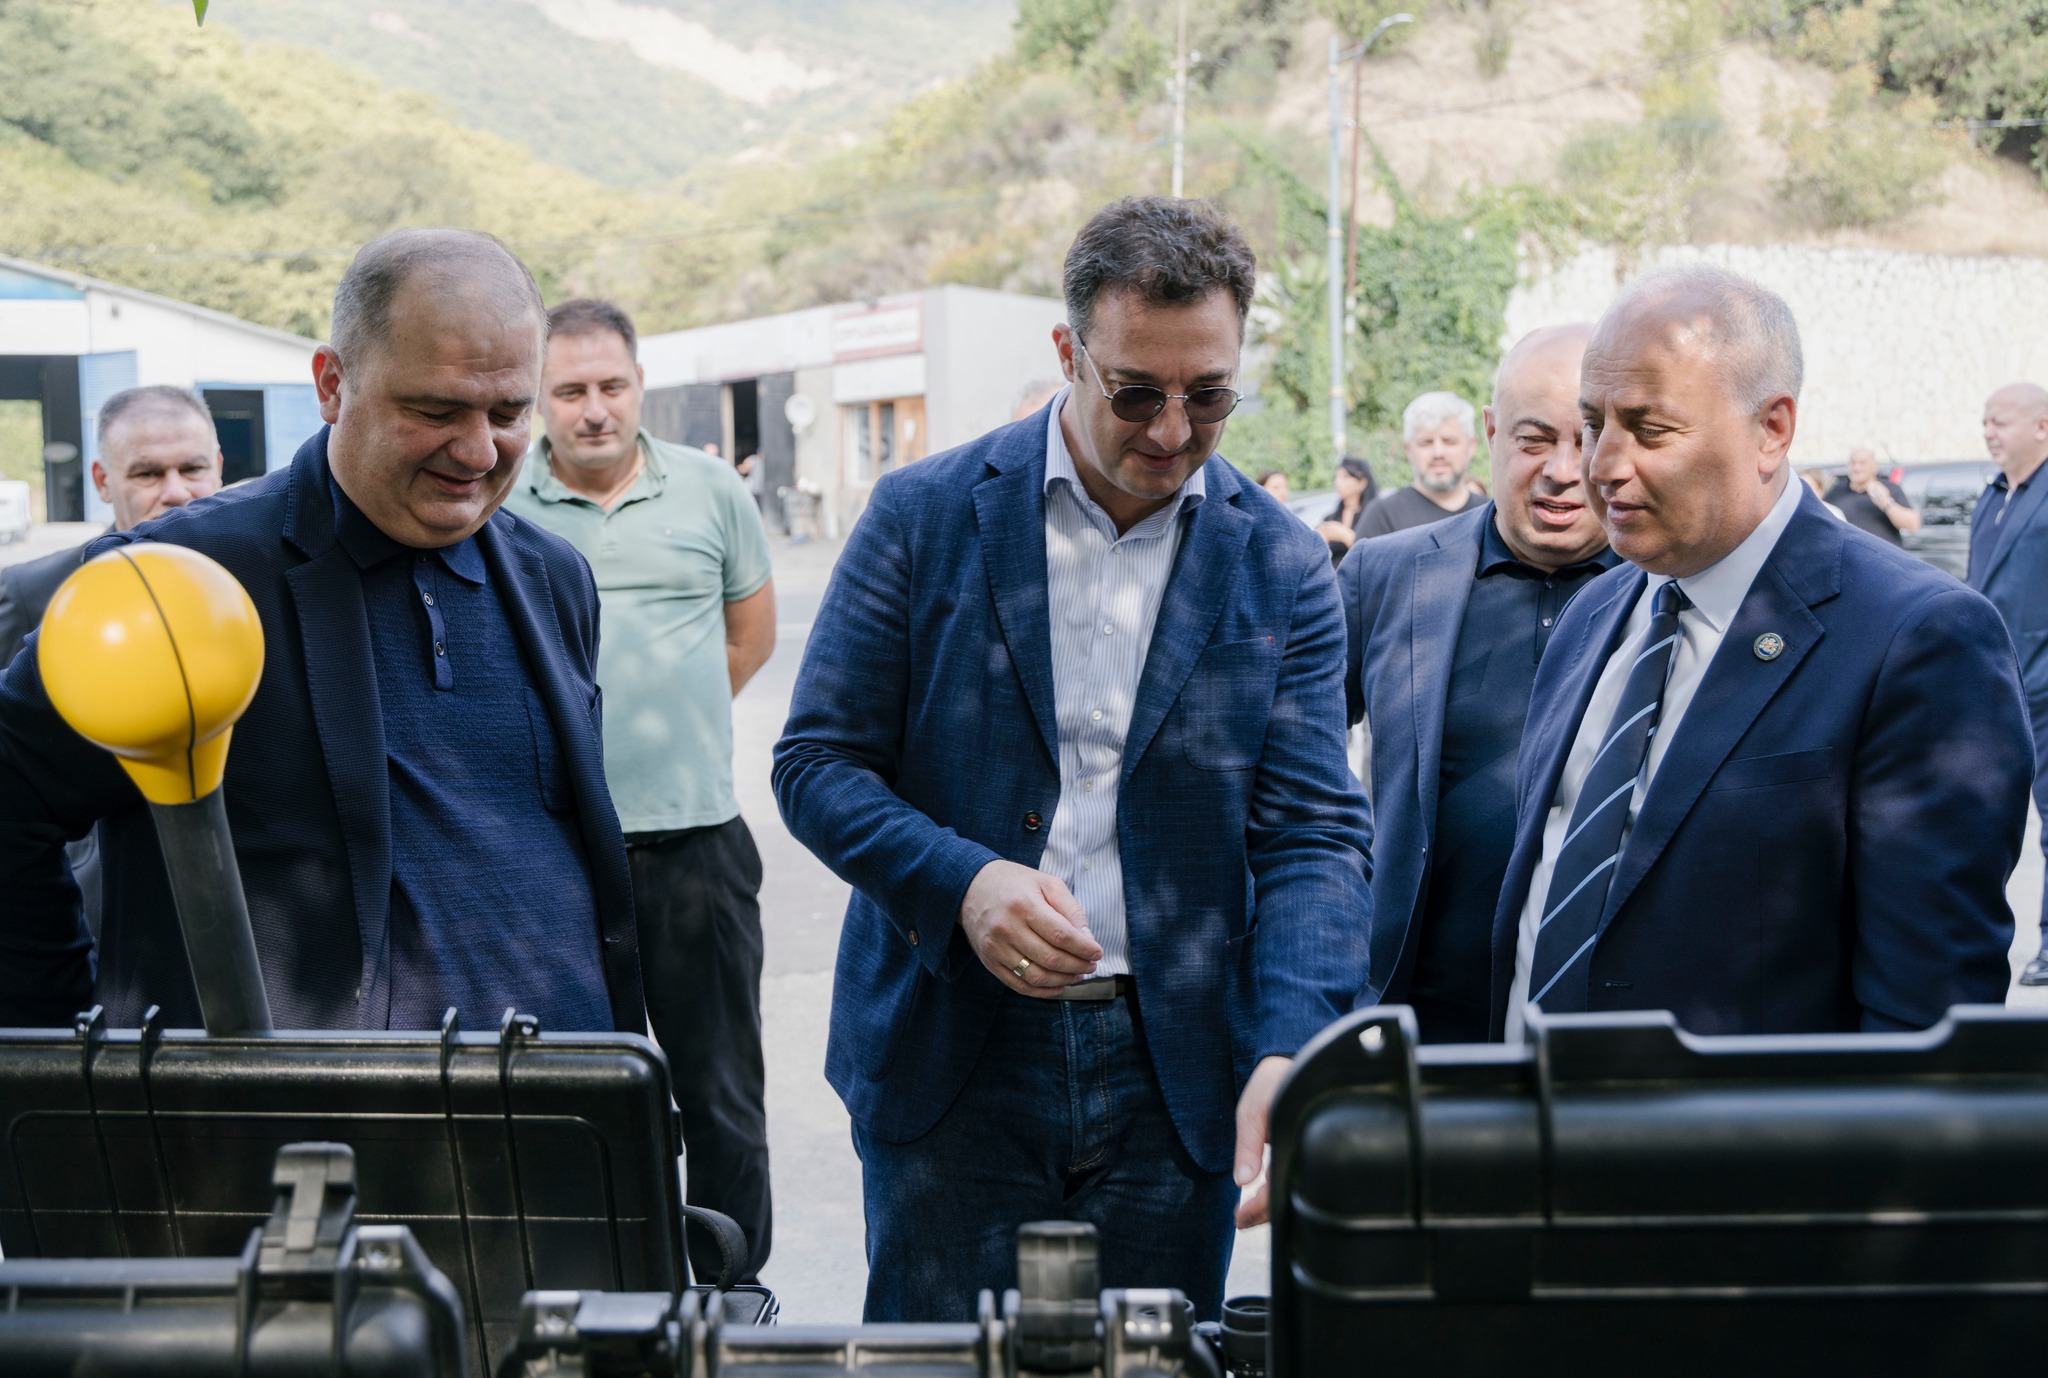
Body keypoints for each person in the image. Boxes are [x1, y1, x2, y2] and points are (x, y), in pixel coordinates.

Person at [774, 196, 1370, 1323]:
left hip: (1176, 1068)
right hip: (955, 1050)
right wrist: (964, 882)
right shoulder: (922, 514)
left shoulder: (1283, 562)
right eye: (1135, 393)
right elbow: (817, 763)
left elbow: (1311, 833)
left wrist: (1289, 1045)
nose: (1171, 431)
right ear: (1067, 353)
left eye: (1209, 396)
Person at [0, 228, 645, 1037]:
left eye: (510, 412)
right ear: (332, 384)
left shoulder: (555, 576)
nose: (479, 450)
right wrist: (62, 1045)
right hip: (301, 1111)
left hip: (565, 1095)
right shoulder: (170, 579)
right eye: (436, 410)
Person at [1488, 266, 2028, 1042]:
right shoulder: (1594, 614)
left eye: (1650, 429)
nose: (1600, 465)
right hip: (1527, 1108)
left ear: (1772, 429)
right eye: (1595, 422)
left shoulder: (1919, 638)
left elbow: (1925, 1027)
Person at [503, 297, 778, 1284]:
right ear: (540, 397)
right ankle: (609, 1294)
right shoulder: (502, 499)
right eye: (569, 390)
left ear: (640, 385)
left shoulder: (711, 490)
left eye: (610, 386)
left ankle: (732, 1294)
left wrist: (665, 731)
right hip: (554, 855)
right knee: (576, 1095)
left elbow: (749, 637)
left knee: (722, 1095)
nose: (593, 409)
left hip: (697, 844)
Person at [1339, 324, 1616, 1043]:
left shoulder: (1669, 593)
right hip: (1419, 1023)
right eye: (1533, 441)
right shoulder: (1384, 576)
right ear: (1491, 433)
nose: (1562, 470)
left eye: (1586, 439)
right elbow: (1286, 772)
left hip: (1613, 1028)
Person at [0, 386, 225, 659]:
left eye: (193, 469)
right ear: (103, 482)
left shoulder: (260, 570)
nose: (176, 493)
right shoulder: (31, 595)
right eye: (147, 473)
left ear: (218, 467)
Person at [1966, 382, 2048, 985]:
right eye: (1985, 421)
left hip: (2044, 690)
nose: (1988, 431)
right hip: (1993, 691)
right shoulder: (1992, 496)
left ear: (2042, 427)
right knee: (1977, 823)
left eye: (2000, 421)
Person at [1357, 392, 1488, 537]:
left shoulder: (1493, 517)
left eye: (1449, 441)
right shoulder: (1382, 517)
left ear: (1471, 445)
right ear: (1408, 449)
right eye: (1426, 442)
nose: (1438, 453)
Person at [1824, 447, 1919, 545]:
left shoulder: (1889, 488)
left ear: (1874, 468)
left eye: (1862, 463)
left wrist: (1887, 503)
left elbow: (1913, 525)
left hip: (1882, 552)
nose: (1856, 468)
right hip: (1849, 552)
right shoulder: (1837, 490)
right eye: (1853, 463)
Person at [1313, 456, 1381, 553]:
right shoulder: (1331, 519)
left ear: (1362, 483)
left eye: (1345, 477)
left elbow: (1375, 553)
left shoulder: (1373, 518)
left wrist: (1346, 536)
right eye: (1336, 477)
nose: (1337, 482)